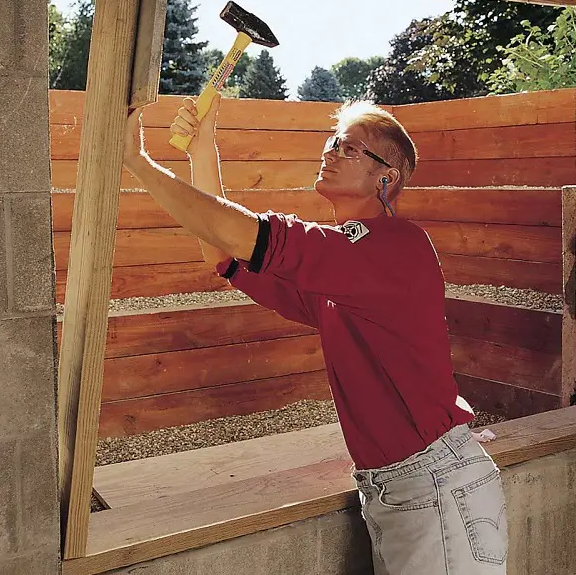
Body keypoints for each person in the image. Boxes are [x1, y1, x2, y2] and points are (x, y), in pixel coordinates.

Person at [122, 94, 508, 574]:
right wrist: (203, 148)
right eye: (332, 143)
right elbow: (224, 254)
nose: (330, 153)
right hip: (399, 487)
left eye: (349, 149)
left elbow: (252, 236)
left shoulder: (393, 248)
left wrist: (136, 163)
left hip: (434, 485)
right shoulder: (344, 277)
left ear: (386, 177)